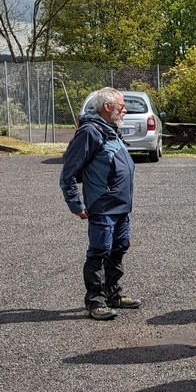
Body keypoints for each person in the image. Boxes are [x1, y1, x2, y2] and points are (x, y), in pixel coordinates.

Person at [59, 87, 141, 321]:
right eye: (121, 106)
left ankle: (113, 294)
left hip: (121, 206)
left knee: (119, 247)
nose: (125, 111)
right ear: (107, 107)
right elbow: (68, 173)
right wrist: (75, 204)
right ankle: (95, 301)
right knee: (99, 251)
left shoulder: (111, 130)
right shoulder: (90, 132)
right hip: (103, 206)